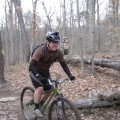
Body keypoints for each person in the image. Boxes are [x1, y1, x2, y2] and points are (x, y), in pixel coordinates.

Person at [29, 31, 75, 117]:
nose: (55, 44)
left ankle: (41, 103)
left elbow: (63, 64)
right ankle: (36, 109)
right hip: (34, 71)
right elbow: (32, 65)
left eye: (57, 42)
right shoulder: (40, 50)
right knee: (39, 88)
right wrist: (38, 76)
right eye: (53, 42)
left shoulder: (58, 52)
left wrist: (70, 75)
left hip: (45, 72)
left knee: (50, 90)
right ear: (48, 42)